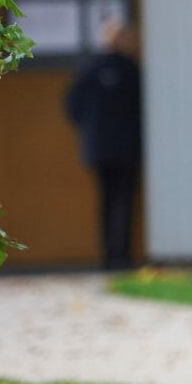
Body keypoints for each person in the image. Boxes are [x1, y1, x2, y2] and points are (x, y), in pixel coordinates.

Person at [64, 16, 143, 270]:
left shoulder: (90, 68)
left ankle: (111, 256)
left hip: (99, 147)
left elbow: (72, 106)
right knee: (123, 201)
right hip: (127, 147)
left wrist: (89, 130)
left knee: (108, 201)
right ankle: (120, 256)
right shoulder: (132, 70)